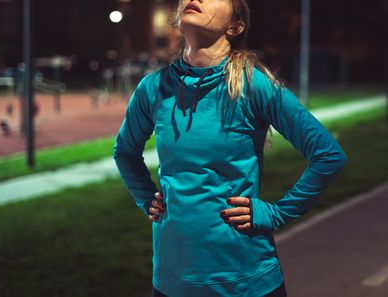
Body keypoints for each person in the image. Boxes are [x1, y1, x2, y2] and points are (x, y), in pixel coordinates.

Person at [113, 0, 348, 296]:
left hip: (247, 282)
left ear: (235, 26)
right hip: (172, 282)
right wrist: (146, 198)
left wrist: (277, 214)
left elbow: (328, 155)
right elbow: (124, 152)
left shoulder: (253, 85)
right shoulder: (153, 88)